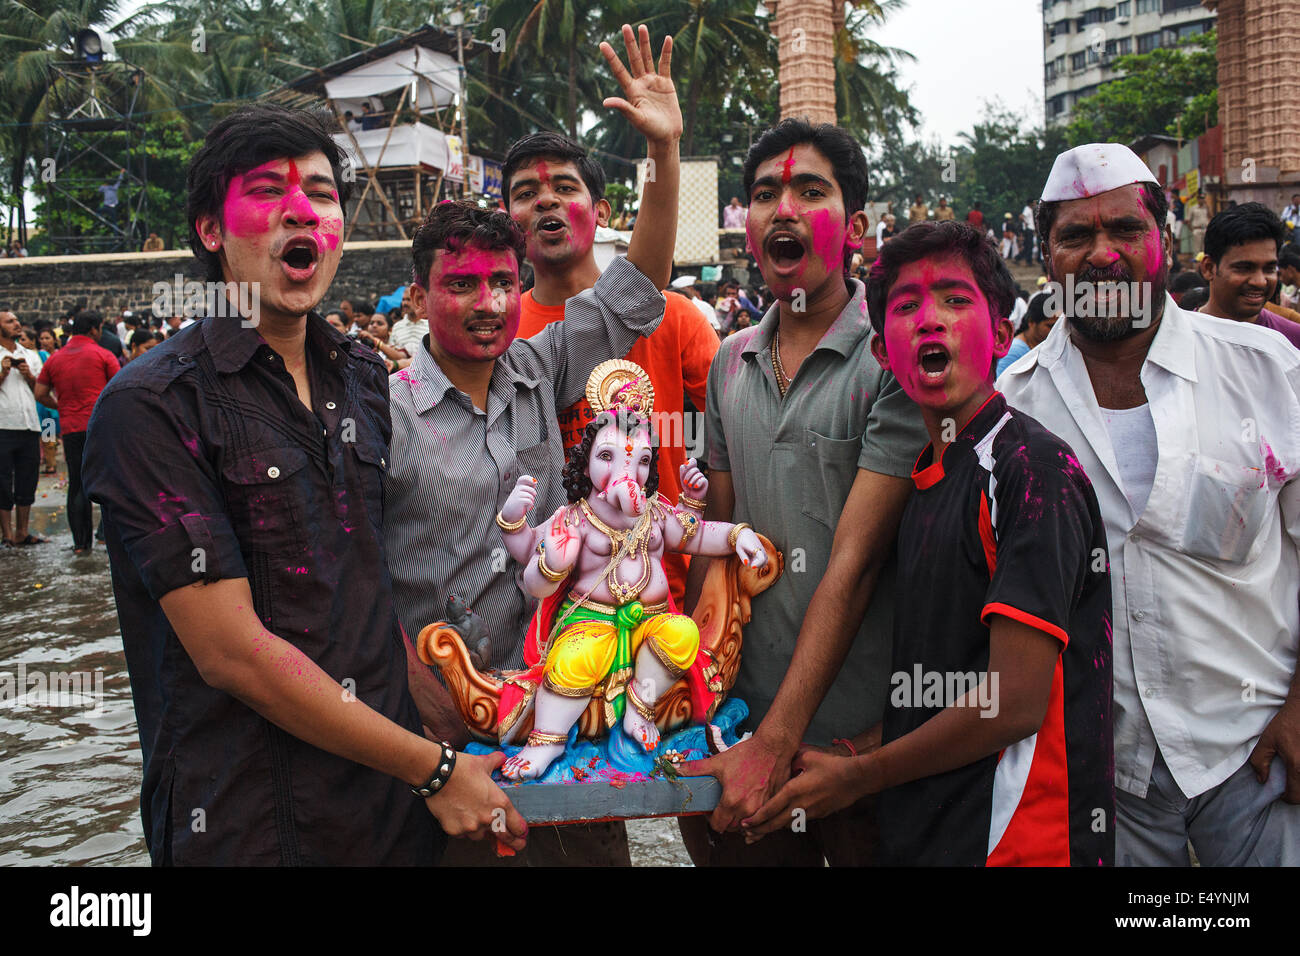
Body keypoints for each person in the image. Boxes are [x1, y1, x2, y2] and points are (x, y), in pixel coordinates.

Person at [81, 103, 526, 866]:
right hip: (251, 822)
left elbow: (370, 577)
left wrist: (449, 710)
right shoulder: (152, 406)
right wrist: (436, 770)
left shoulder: (358, 375)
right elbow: (231, 653)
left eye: (322, 194)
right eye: (266, 191)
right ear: (211, 230)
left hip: (391, 812)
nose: (303, 210)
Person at [385, 24, 682, 867]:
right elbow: (354, 570)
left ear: (521, 288)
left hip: (564, 703)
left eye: (501, 282)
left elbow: (641, 284)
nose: (485, 302)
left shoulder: (539, 368)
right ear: (419, 294)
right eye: (459, 284)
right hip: (440, 726)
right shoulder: (383, 412)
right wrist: (418, 692)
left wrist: (659, 152)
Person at [744, 221, 1114, 865]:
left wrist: (862, 775)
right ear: (884, 352)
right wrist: (849, 753)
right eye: (907, 306)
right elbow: (943, 688)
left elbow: (1012, 702)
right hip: (934, 835)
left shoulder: (1030, 473)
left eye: (955, 299)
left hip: (1020, 840)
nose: (929, 320)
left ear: (1000, 334)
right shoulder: (928, 479)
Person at [998, 142, 1300, 866]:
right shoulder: (1015, 409)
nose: (1103, 255)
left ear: (1164, 241)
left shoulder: (1269, 372)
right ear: (1046, 256)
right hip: (1109, 775)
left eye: (1125, 230)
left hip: (1258, 752)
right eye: (1075, 236)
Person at [677, 118, 929, 866]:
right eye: (763, 194)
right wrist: (691, 702)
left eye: (808, 190)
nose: (782, 209)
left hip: (859, 742)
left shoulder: (893, 363)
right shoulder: (728, 362)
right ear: (746, 225)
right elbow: (714, 539)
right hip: (742, 728)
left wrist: (783, 739)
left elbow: (854, 568)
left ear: (854, 226)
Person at [33, 310, 116, 552]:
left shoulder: (55, 359)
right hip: (99, 427)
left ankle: (80, 544)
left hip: (70, 428)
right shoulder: (103, 354)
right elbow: (119, 388)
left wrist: (62, 406)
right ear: (93, 329)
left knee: (76, 484)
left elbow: (40, 393)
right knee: (108, 481)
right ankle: (108, 537)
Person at [1195, 202, 1300, 349]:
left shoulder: (1293, 340)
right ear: (1208, 268)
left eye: (1269, 269)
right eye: (1244, 268)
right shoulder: (1180, 340)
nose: (1260, 282)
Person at [0, 310, 45, 546]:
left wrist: (28, 375)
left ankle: (22, 531)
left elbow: (40, 391)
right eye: (10, 321)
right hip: (2, 425)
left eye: (17, 320)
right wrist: (3, 373)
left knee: (28, 478)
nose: (16, 324)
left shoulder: (30, 355)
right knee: (2, 481)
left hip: (29, 424)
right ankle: (7, 534)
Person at [996, 290, 1058, 376]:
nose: (1055, 330)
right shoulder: (1016, 351)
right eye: (1050, 326)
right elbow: (1000, 385)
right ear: (1031, 323)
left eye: (1058, 326)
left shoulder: (1041, 346)